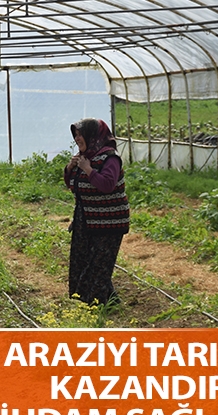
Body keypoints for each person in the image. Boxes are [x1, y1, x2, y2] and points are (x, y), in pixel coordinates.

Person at [64, 118, 130, 305]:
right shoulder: (85, 157)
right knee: (83, 260)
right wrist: (70, 168)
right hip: (86, 218)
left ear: (92, 135)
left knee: (98, 264)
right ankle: (95, 300)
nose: (77, 139)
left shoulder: (110, 158)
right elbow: (73, 184)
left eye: (80, 134)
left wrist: (88, 170)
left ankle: (95, 304)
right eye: (75, 135)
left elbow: (107, 185)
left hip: (109, 221)